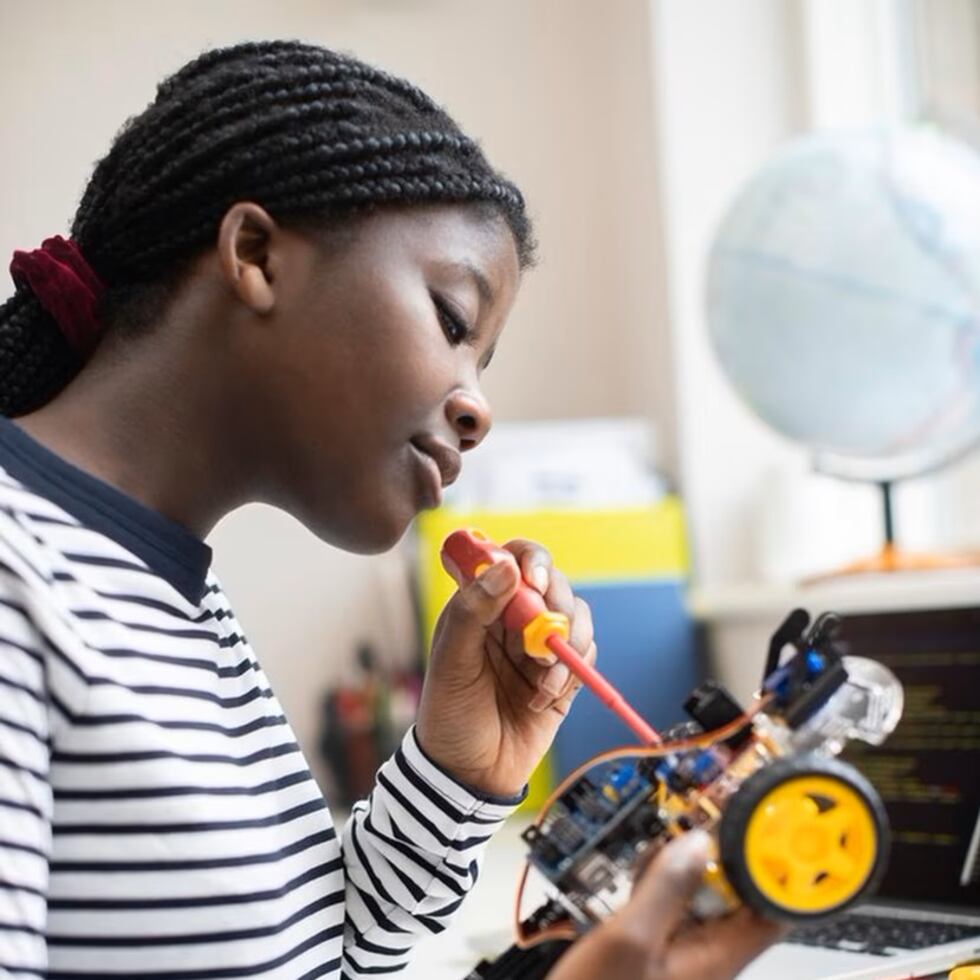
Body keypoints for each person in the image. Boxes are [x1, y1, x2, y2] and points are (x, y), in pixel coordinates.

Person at [0, 40, 779, 979]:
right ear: (254, 255)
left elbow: (321, 958)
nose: (476, 408)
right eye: (453, 321)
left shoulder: (173, 599)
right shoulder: (18, 579)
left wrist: (457, 773)